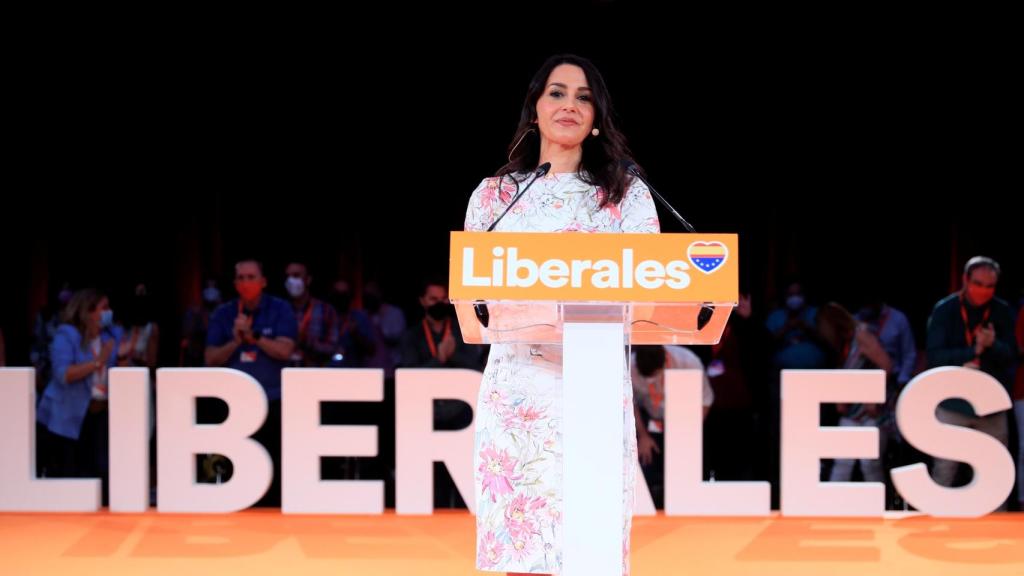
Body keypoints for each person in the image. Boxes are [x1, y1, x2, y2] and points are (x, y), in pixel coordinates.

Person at [464, 54, 659, 576]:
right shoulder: (495, 196)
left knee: (589, 550)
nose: (569, 104)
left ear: (597, 118)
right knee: (521, 550)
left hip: (593, 390)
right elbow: (475, 295)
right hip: (518, 388)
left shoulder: (627, 197)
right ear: (534, 109)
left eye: (583, 96)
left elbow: (652, 292)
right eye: (556, 92)